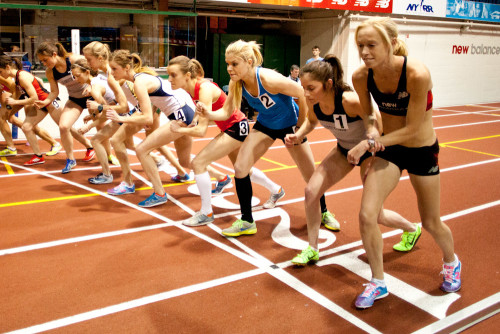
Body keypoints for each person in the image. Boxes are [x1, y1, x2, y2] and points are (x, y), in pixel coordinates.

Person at [348, 17, 461, 309]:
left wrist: (369, 142)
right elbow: (370, 115)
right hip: (389, 148)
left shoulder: (416, 74)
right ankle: (378, 281)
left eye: (372, 45)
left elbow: (412, 128)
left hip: (421, 149)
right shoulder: (362, 76)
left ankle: (452, 262)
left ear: (392, 44)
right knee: (367, 214)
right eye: (361, 45)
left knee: (431, 222)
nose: (365, 51)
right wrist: (373, 131)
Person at [286, 56, 421, 267]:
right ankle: (312, 248)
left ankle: (412, 229)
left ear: (329, 84)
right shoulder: (315, 102)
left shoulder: (349, 100)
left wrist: (366, 143)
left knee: (376, 214)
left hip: (372, 153)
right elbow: (311, 121)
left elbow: (378, 123)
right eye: (303, 87)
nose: (306, 93)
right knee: (311, 192)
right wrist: (299, 134)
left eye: (311, 87)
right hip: (344, 150)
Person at [197, 40, 338, 237]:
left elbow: (302, 93)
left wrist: (299, 129)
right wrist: (208, 114)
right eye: (227, 63)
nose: (229, 68)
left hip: (289, 125)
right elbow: (226, 111)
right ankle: (247, 221)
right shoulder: (236, 82)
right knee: (240, 168)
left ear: (248, 61)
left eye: (234, 64)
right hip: (265, 125)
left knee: (310, 176)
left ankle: (323, 212)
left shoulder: (268, 78)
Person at [167, 55, 284, 226]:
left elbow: (201, 131)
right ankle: (276, 190)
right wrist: (188, 122)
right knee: (244, 170)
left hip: (236, 127)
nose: (169, 79)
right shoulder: (190, 89)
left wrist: (180, 130)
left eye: (173, 75)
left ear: (187, 75)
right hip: (234, 126)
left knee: (198, 163)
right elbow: (199, 116)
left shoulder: (204, 89)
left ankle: (206, 212)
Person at [106, 50, 195, 207]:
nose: (111, 73)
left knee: (142, 149)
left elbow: (147, 117)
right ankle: (222, 177)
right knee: (185, 161)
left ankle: (159, 193)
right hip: (183, 114)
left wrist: (121, 118)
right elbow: (155, 101)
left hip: (180, 116)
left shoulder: (139, 82)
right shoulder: (140, 80)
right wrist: (149, 114)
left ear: (127, 67)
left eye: (114, 69)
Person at [36, 42, 95, 173]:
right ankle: (71, 159)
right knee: (63, 126)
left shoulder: (74, 59)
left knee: (101, 125)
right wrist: (45, 101)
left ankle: (107, 154)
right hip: (75, 99)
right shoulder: (50, 72)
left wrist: (91, 87)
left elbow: (94, 72)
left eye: (45, 60)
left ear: (54, 54)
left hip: (92, 95)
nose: (44, 63)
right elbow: (54, 92)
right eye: (42, 61)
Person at [70, 57, 128, 184]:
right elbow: (110, 105)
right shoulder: (97, 80)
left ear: (87, 72)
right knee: (132, 145)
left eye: (77, 76)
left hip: (124, 114)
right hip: (126, 113)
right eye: (73, 77)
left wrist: (89, 126)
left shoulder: (95, 89)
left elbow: (107, 111)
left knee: (96, 140)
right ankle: (157, 160)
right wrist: (93, 115)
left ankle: (107, 175)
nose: (76, 80)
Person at [0, 56, 63, 165]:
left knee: (64, 127)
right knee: (23, 124)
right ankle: (38, 154)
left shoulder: (19, 76)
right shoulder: (18, 76)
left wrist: (14, 101)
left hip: (36, 100)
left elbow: (21, 89)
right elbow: (34, 82)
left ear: (7, 67)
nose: (1, 74)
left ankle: (57, 144)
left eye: (1, 71)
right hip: (29, 98)